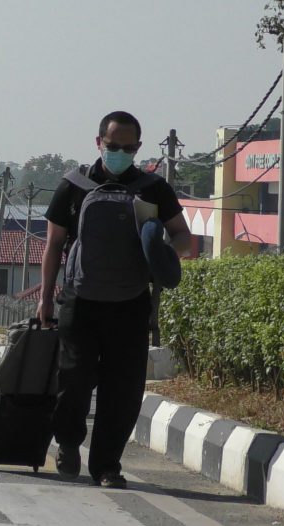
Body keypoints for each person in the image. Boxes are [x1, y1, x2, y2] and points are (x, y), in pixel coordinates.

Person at [37, 111, 191, 489]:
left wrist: (163, 250)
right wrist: (44, 299)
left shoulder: (152, 188)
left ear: (138, 147)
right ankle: (69, 443)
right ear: (98, 143)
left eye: (127, 147)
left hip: (131, 303)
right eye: (112, 146)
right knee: (73, 383)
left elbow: (186, 239)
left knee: (122, 393)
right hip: (79, 301)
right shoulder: (73, 185)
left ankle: (107, 465)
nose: (119, 152)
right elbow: (54, 245)